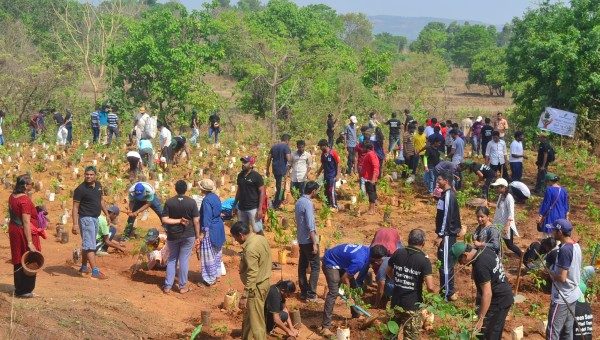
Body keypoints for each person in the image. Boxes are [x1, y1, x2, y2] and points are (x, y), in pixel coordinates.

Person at [319, 243, 388, 337]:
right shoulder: (359, 261)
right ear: (376, 259)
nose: (382, 262)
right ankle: (325, 327)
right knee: (333, 292)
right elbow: (345, 278)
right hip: (330, 262)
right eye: (381, 260)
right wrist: (349, 296)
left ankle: (356, 314)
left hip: (340, 262)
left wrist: (350, 293)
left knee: (354, 287)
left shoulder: (367, 251)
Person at [452, 242, 513, 339]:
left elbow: (487, 293)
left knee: (488, 334)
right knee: (494, 332)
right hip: (504, 294)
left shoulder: (480, 266)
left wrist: (481, 319)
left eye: (460, 260)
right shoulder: (484, 250)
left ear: (465, 255)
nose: (461, 264)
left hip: (499, 301)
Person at [387, 229, 436, 339]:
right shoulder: (424, 260)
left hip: (396, 302)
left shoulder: (398, 253)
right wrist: (433, 297)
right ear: (423, 243)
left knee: (391, 334)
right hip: (412, 305)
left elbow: (388, 271)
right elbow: (430, 287)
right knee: (410, 336)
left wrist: (400, 280)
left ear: (408, 240)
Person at [231, 221, 272, 340]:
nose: (236, 241)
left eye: (236, 238)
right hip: (264, 283)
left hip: (256, 288)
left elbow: (252, 274)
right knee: (250, 316)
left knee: (257, 323)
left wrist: (245, 296)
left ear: (241, 235)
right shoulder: (260, 238)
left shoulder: (250, 249)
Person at [161, 180, 200, 294]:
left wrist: (178, 221)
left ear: (175, 189)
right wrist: (197, 236)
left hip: (173, 235)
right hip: (188, 235)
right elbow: (196, 221)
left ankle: (168, 286)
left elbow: (164, 219)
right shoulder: (192, 202)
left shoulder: (169, 202)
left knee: (172, 259)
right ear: (186, 189)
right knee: (184, 260)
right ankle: (182, 287)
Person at [546, 219, 582, 340]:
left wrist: (549, 272)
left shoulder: (565, 250)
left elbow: (562, 277)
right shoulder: (575, 245)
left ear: (560, 232)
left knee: (552, 332)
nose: (552, 232)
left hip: (562, 296)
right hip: (573, 293)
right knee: (567, 330)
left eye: (554, 230)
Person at [72, 166, 110, 280]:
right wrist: (74, 224)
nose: (88, 176)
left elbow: (101, 200)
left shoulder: (98, 185)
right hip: (85, 219)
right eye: (87, 174)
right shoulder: (80, 189)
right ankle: (95, 271)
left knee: (88, 243)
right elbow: (75, 208)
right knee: (90, 246)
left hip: (95, 218)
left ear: (95, 175)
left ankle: (84, 267)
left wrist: (107, 214)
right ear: (84, 175)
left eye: (91, 174)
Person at [8, 174, 43, 297]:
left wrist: (36, 210)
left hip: (14, 229)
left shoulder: (12, 196)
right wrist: (30, 242)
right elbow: (26, 221)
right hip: (23, 231)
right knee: (29, 257)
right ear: (25, 185)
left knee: (18, 257)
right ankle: (25, 290)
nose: (31, 186)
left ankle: (19, 287)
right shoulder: (25, 200)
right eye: (30, 184)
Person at [435, 171, 461, 301]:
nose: (437, 182)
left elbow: (447, 217)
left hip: (447, 235)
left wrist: (441, 234)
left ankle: (446, 294)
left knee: (446, 265)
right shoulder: (444, 195)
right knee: (444, 263)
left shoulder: (449, 196)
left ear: (446, 181)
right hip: (446, 234)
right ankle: (446, 291)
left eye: (439, 179)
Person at [295, 181, 320, 302]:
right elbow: (310, 225)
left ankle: (304, 292)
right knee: (315, 267)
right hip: (309, 240)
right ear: (313, 191)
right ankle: (311, 294)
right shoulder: (308, 204)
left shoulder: (299, 201)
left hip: (301, 239)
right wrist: (314, 242)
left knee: (302, 265)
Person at [198, 179, 225, 286]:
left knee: (208, 254)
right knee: (217, 252)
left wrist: (203, 232)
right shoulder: (215, 197)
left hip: (210, 228)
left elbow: (207, 217)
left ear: (202, 189)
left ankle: (209, 279)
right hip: (218, 226)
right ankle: (216, 275)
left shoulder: (206, 200)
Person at [491, 178, 523, 257]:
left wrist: (507, 226)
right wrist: (490, 204)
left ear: (504, 187)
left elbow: (511, 213)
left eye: (498, 187)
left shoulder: (509, 198)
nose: (496, 189)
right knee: (497, 240)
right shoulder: (501, 196)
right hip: (499, 224)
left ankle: (522, 255)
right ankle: (499, 256)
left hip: (506, 225)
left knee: (510, 245)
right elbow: (500, 207)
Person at [234, 156, 266, 234]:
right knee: (243, 231)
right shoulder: (240, 176)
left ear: (251, 165)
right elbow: (239, 190)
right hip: (241, 208)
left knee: (257, 230)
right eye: (242, 162)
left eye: (245, 162)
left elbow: (262, 192)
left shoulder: (256, 176)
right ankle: (247, 246)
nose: (243, 164)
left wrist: (260, 209)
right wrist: (235, 204)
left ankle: (261, 244)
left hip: (253, 208)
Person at [267, 134, 292, 209]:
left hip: (275, 170)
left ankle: (279, 200)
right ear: (287, 140)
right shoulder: (286, 147)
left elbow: (268, 159)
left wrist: (267, 169)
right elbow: (289, 160)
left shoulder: (274, 147)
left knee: (278, 186)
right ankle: (278, 203)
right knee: (281, 187)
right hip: (282, 171)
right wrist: (289, 170)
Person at [316, 139, 340, 209]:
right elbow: (323, 165)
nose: (320, 148)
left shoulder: (333, 153)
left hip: (332, 176)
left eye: (321, 146)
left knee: (331, 190)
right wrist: (318, 172)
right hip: (326, 175)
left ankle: (334, 206)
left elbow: (338, 164)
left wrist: (338, 175)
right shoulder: (323, 154)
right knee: (326, 190)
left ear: (325, 146)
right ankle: (328, 205)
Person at [361, 141, 380, 214]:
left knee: (371, 193)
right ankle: (373, 208)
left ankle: (372, 210)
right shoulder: (371, 154)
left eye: (364, 148)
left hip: (370, 178)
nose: (363, 149)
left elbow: (375, 166)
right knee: (373, 192)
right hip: (370, 177)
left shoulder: (370, 154)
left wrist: (373, 179)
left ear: (367, 148)